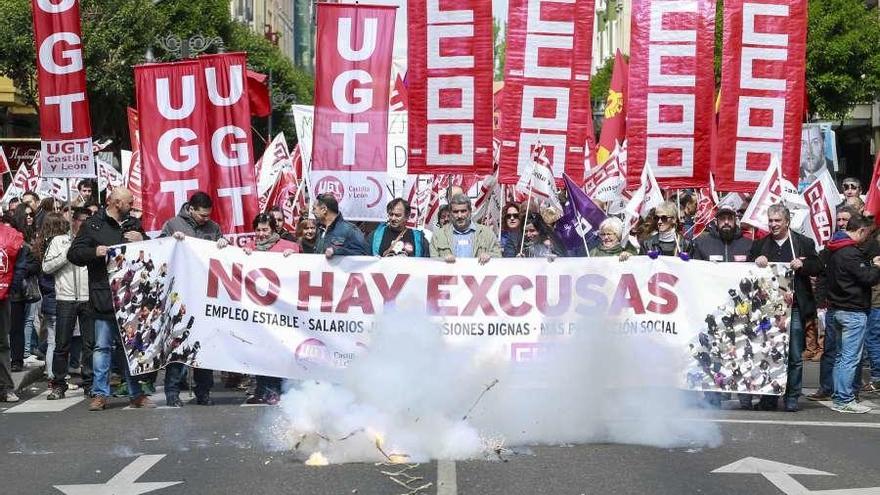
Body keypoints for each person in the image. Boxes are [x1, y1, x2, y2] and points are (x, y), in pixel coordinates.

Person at [67, 188, 155, 411]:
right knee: (102, 348)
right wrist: (95, 251)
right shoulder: (93, 225)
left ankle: (136, 393)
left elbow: (153, 252)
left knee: (131, 348)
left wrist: (142, 239)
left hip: (129, 299)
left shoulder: (132, 224)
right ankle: (99, 394)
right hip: (104, 298)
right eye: (129, 202)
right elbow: (74, 254)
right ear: (116, 202)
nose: (132, 206)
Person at [749, 204, 822, 412]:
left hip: (795, 308)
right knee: (769, 352)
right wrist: (756, 261)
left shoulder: (803, 243)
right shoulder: (760, 245)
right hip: (768, 310)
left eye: (777, 220)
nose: (773, 224)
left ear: (787, 221)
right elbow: (746, 270)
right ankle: (769, 397)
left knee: (795, 355)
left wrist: (803, 265)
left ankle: (792, 396)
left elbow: (818, 266)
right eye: (770, 220)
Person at [159, 192, 224, 407]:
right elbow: (159, 250)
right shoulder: (172, 224)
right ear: (191, 209)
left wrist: (223, 244)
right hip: (182, 293)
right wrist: (170, 241)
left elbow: (221, 259)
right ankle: (172, 393)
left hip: (205, 294)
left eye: (208, 216)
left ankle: (203, 392)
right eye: (202, 216)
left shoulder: (213, 228)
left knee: (204, 345)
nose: (205, 219)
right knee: (179, 344)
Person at [689, 205, 753, 409]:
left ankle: (745, 396)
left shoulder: (749, 244)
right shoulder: (702, 243)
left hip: (741, 312)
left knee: (742, 352)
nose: (726, 222)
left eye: (729, 218)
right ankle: (713, 397)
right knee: (713, 353)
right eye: (722, 219)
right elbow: (691, 272)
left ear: (735, 221)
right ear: (716, 221)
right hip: (711, 310)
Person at [234, 213, 298, 404]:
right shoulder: (249, 249)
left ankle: (278, 390)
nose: (261, 234)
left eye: (265, 230)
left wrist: (294, 258)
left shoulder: (290, 247)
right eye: (258, 230)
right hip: (258, 310)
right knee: (260, 351)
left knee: (278, 350)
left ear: (274, 229)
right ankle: (263, 389)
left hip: (281, 310)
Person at [820, 215, 880, 413]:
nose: (867, 239)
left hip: (837, 309)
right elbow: (868, 278)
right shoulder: (850, 253)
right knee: (849, 358)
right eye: (867, 234)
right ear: (861, 231)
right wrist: (876, 266)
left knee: (840, 356)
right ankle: (845, 399)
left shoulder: (834, 248)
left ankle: (839, 396)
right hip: (852, 310)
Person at [42, 207, 93, 399]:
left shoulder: (93, 240)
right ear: (74, 221)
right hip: (66, 298)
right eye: (82, 220)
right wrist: (67, 252)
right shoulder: (59, 241)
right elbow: (46, 267)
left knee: (90, 344)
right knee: (62, 343)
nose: (85, 223)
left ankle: (90, 382)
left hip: (88, 297)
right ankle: (59, 383)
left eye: (89, 220)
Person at [33, 213, 68, 395]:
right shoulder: (56, 247)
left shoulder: (40, 246)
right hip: (57, 295)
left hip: (48, 297)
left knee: (53, 340)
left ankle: (52, 375)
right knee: (56, 341)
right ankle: (54, 376)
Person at [430, 194, 500, 264]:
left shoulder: (487, 233)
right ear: (451, 213)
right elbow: (432, 263)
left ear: (470, 211)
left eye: (463, 211)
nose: (459, 216)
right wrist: (442, 260)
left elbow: (499, 257)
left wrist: (490, 256)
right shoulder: (438, 235)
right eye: (455, 212)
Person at [0, 219, 25, 402]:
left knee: (2, 343)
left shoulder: (10, 235)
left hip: (3, 295)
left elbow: (20, 264)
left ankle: (6, 387)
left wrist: (10, 287)